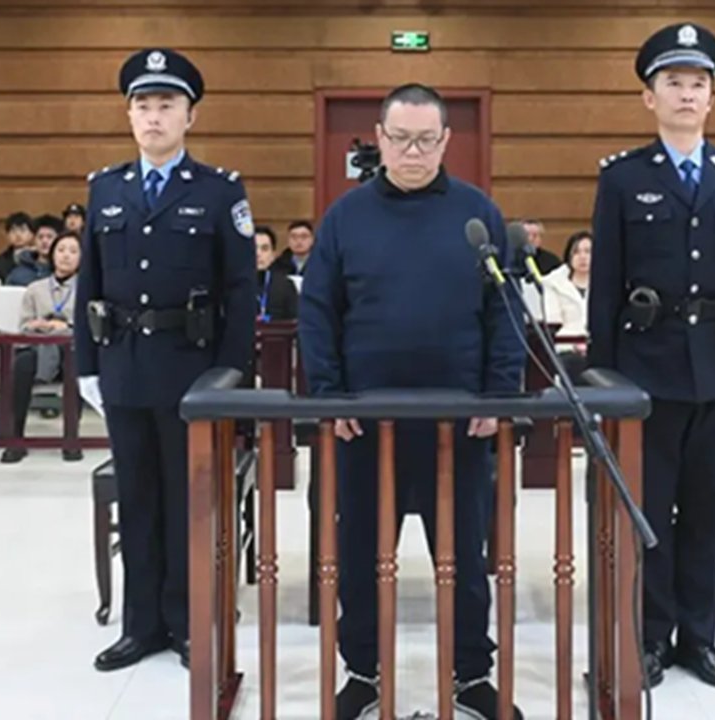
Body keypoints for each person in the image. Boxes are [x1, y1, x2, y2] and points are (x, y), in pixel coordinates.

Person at [299, 83, 524, 720]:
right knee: (362, 557)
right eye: (400, 139)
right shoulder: (345, 217)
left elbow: (505, 313)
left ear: (447, 141)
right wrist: (330, 396)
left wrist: (498, 395)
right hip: (366, 425)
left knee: (467, 558)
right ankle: (363, 673)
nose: (413, 151)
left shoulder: (477, 215)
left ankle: (470, 676)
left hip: (460, 424)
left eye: (427, 139)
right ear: (379, 138)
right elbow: (318, 313)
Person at [587, 23, 715, 692]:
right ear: (650, 97)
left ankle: (700, 638)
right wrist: (604, 378)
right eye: (674, 83)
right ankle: (651, 636)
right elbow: (605, 285)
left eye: (698, 84)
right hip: (647, 372)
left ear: (712, 97)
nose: (687, 94)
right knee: (651, 513)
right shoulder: (623, 179)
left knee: (706, 512)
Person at [74, 47, 256, 673]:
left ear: (189, 116)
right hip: (123, 366)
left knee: (186, 503)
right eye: (143, 106)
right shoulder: (105, 188)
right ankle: (140, 625)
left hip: (190, 370)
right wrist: (86, 365)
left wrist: (230, 375)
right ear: (129, 116)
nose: (153, 117)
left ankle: (185, 622)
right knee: (137, 500)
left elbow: (241, 291)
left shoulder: (219, 190)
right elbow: (90, 283)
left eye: (166, 105)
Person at [1, 232, 83, 464]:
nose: (66, 256)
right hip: (39, 348)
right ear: (52, 255)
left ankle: (71, 438)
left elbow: (89, 326)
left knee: (74, 361)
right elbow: (23, 325)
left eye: (73, 251)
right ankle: (16, 439)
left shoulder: (87, 289)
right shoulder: (35, 289)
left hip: (70, 349)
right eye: (61, 250)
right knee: (22, 363)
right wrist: (37, 325)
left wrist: (65, 326)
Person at [541, 230, 592, 376]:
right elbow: (553, 324)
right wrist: (577, 344)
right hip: (566, 349)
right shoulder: (554, 284)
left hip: (599, 348)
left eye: (588, 251)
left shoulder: (608, 283)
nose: (582, 257)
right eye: (576, 252)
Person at [253, 224, 299, 322]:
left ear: (273, 254)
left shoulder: (286, 285)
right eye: (253, 248)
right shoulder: (233, 285)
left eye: (264, 249)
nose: (258, 254)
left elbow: (294, 321)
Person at [6, 214, 62, 287]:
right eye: (40, 237)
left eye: (49, 237)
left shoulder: (64, 271)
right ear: (34, 240)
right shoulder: (17, 274)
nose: (44, 241)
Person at [0, 212, 36, 283]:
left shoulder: (40, 259)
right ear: (7, 235)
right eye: (13, 230)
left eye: (22, 230)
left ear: (32, 234)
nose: (18, 234)